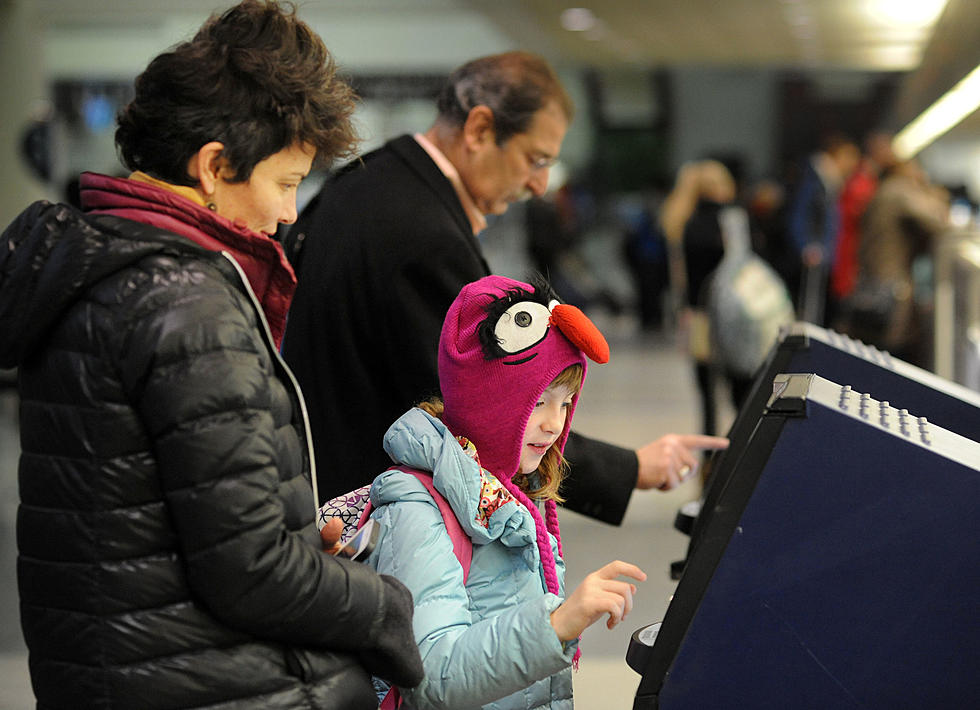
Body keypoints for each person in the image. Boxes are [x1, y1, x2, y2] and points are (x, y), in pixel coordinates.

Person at [0, 2, 422, 708]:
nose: (290, 212)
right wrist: (386, 604)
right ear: (214, 167)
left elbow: (175, 516)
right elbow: (252, 571)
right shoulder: (184, 300)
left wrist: (291, 532)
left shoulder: (99, 268)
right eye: (285, 183)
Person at [282, 51, 726, 524]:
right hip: (371, 515)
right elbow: (486, 403)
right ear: (478, 130)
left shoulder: (373, 180)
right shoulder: (424, 235)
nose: (538, 185)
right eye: (535, 160)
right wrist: (630, 468)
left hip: (320, 487)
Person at [364, 274, 647, 708]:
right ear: (488, 401)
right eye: (538, 402)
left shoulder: (512, 493)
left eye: (565, 403)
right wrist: (556, 625)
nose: (554, 423)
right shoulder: (418, 509)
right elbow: (430, 674)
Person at [784, 133, 860, 325]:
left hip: (822, 257)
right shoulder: (815, 180)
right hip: (814, 259)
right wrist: (806, 246)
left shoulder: (828, 182)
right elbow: (798, 215)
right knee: (809, 311)